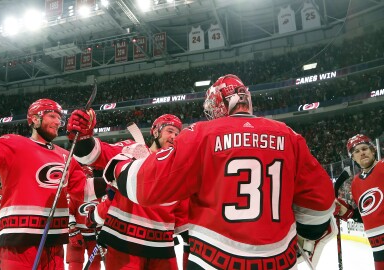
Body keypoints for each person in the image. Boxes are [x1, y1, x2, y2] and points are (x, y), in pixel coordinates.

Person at [110, 74, 336, 269]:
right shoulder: (289, 136)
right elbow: (319, 208)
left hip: (213, 260)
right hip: (278, 260)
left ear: (221, 102)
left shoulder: (201, 134)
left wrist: (119, 167)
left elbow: (146, 185)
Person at [0, 83, 107, 270]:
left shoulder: (65, 156)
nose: (58, 122)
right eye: (52, 116)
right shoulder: (14, 143)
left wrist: (117, 178)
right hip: (19, 245)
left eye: (60, 118)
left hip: (55, 244)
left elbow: (84, 189)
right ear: (34, 119)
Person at [67, 110, 189, 270]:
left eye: (177, 133)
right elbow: (91, 154)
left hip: (163, 249)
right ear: (156, 131)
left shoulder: (177, 170)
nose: (174, 137)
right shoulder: (131, 149)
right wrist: (83, 136)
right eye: (170, 131)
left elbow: (182, 215)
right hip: (124, 245)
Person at [335, 134, 384, 270]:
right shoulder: (355, 183)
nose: (361, 153)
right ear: (353, 157)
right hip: (377, 248)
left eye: (364, 149)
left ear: (373, 150)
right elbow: (365, 215)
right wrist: (345, 211)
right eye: (356, 151)